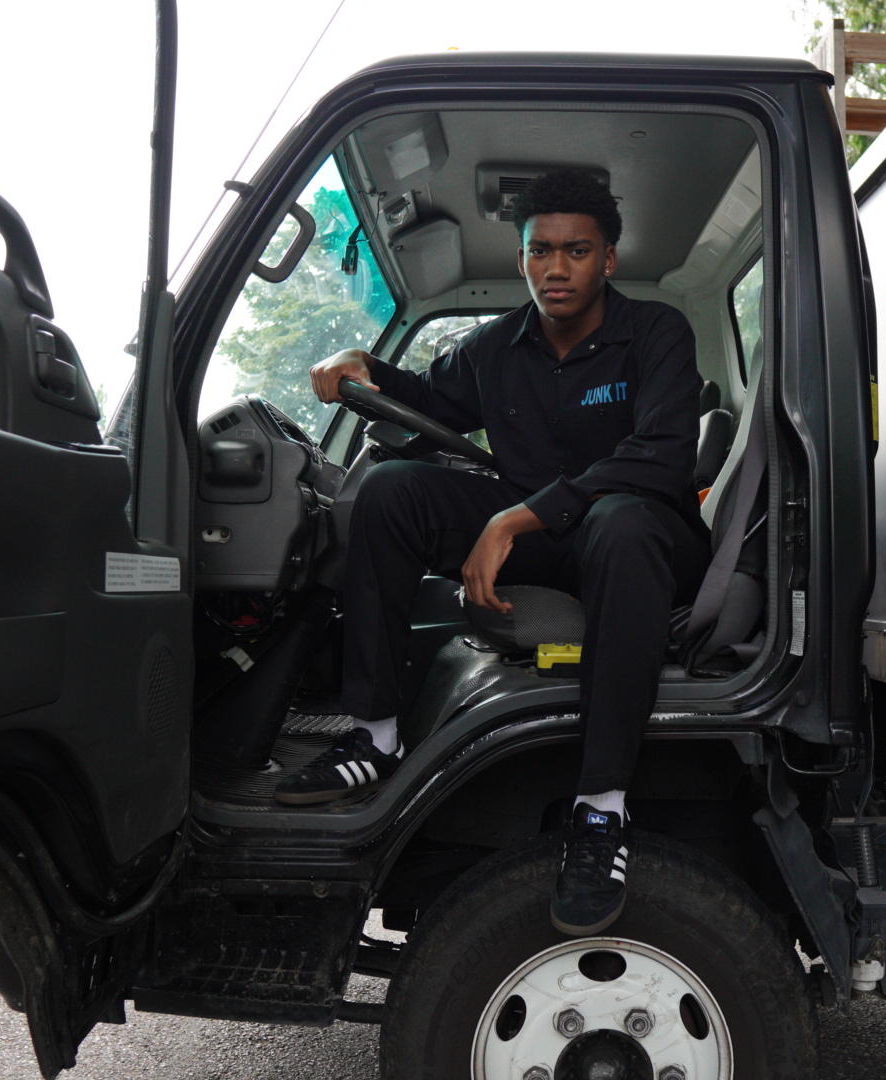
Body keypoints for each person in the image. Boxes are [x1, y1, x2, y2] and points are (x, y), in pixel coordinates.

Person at [276, 169, 710, 936]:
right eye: (540, 251)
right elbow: (424, 404)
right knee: (392, 489)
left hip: (642, 547)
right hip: (554, 544)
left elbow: (663, 456)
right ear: (521, 261)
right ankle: (374, 732)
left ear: (607, 259)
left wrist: (514, 519)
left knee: (621, 521)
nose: (556, 267)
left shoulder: (656, 332)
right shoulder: (494, 350)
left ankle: (601, 808)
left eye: (576, 251)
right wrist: (362, 367)